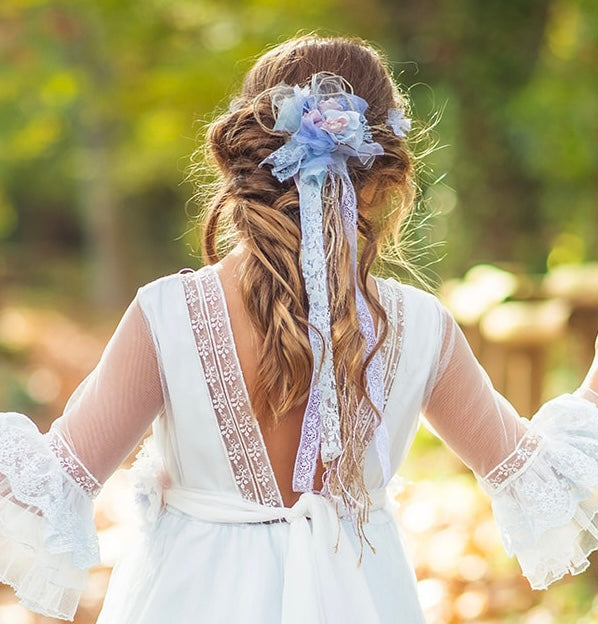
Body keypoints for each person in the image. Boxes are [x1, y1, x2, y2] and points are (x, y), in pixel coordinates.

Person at [1, 34, 598, 624]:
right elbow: (543, 485)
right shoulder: (421, 328)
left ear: (247, 161)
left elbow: (49, 488)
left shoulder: (168, 315)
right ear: (385, 180)